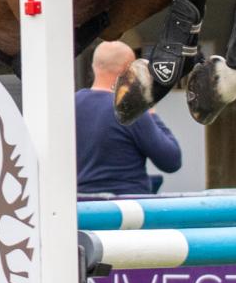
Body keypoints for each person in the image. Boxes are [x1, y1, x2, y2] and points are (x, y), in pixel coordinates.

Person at [74, 40, 182, 195]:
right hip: (127, 204)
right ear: (130, 70)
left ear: (94, 66)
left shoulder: (70, 106)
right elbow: (171, 161)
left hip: (81, 204)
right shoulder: (129, 109)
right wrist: (151, 114)